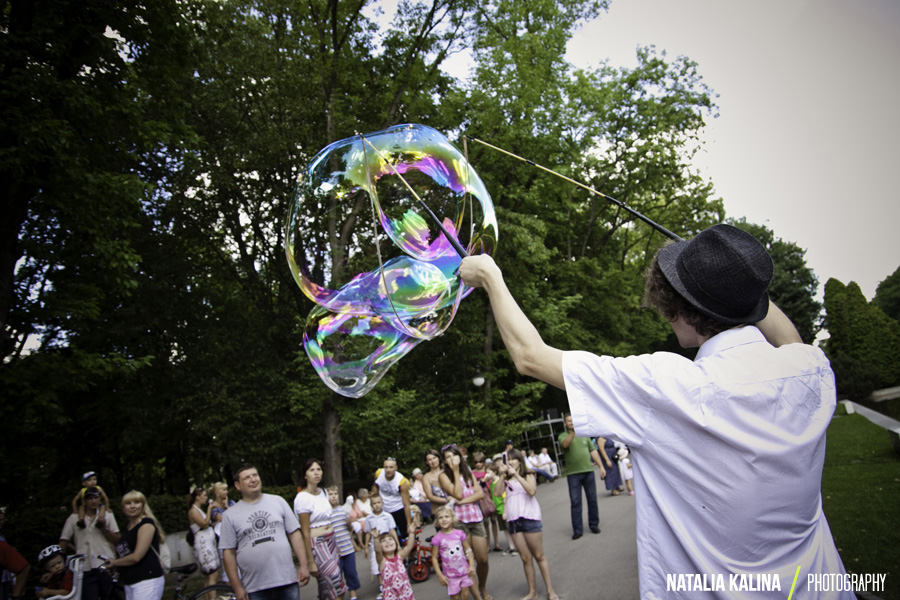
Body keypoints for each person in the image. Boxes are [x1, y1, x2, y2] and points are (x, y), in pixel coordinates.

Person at [459, 223, 854, 598]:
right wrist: (730, 277)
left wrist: (491, 276)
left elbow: (530, 357)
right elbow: (788, 338)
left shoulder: (665, 386)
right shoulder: (810, 368)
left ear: (679, 306)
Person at [220, 463, 310, 600]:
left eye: (255, 475)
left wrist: (304, 565)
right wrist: (237, 587)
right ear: (237, 485)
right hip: (254, 588)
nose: (253, 479)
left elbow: (294, 534)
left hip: (286, 581)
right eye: (247, 477)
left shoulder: (278, 501)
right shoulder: (230, 515)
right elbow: (228, 552)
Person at [495, 450, 557, 600]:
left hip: (529, 518)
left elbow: (531, 491)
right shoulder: (504, 478)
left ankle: (550, 590)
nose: (510, 462)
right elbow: (497, 493)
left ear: (519, 461)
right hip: (514, 521)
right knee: (525, 558)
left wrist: (516, 475)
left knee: (539, 555)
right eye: (507, 460)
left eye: (513, 459)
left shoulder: (528, 474)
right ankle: (532, 592)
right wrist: (503, 475)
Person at [439, 444, 490, 600]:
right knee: (467, 562)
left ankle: (482, 586)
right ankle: (477, 596)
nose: (451, 459)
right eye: (447, 457)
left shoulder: (468, 471)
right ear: (445, 461)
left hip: (475, 518)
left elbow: (480, 493)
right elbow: (457, 494)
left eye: (453, 455)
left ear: (459, 457)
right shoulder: (443, 476)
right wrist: (455, 472)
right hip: (459, 522)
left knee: (482, 559)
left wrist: (462, 502)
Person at [293, 459, 347, 600]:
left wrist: (337, 545)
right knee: (336, 584)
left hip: (331, 540)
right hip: (318, 544)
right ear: (305, 475)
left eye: (318, 469)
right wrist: (310, 562)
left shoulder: (323, 492)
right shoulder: (302, 498)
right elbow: (304, 532)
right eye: (311, 470)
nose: (316, 473)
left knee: (328, 587)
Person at [59, 487, 120, 600]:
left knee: (111, 597)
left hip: (105, 564)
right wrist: (58, 564)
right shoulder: (74, 518)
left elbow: (117, 540)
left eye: (96, 497)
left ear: (100, 498)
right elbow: (63, 541)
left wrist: (105, 529)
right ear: (84, 501)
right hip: (84, 567)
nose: (93, 501)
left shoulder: (107, 515)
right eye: (90, 498)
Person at [105, 491, 166, 600]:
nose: (132, 506)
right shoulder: (128, 528)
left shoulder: (146, 524)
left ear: (143, 505)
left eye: (136, 502)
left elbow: (136, 557)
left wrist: (115, 562)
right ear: (123, 507)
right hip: (131, 582)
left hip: (147, 580)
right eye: (128, 503)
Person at [558, 415, 605, 539]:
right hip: (573, 474)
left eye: (573, 421)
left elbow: (593, 451)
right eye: (569, 421)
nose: (571, 423)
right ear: (565, 424)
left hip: (588, 471)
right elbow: (565, 445)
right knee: (575, 502)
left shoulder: (584, 435)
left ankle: (594, 524)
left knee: (592, 499)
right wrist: (572, 433)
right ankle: (578, 530)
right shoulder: (563, 436)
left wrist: (601, 466)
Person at [430, 507, 476, 600]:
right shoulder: (437, 538)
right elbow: (434, 558)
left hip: (464, 571)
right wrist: (440, 575)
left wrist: (471, 565)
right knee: (454, 597)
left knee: (465, 595)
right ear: (437, 521)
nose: (444, 519)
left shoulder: (459, 534)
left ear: (452, 519)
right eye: (440, 517)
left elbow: (468, 549)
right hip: (449, 575)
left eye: (446, 516)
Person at [327, 487, 360, 600]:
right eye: (330, 494)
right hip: (335, 551)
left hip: (348, 548)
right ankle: (339, 595)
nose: (333, 496)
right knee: (337, 576)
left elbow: (350, 529)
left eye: (335, 493)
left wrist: (349, 524)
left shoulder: (343, 510)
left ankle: (353, 594)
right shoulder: (326, 513)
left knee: (351, 572)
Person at [371, 459, 412, 541]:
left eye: (391, 467)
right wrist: (375, 499)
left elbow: (406, 504)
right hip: (384, 509)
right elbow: (375, 485)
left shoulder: (402, 481)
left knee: (405, 536)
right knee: (388, 536)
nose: (388, 470)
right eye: (386, 467)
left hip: (398, 508)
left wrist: (409, 524)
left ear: (396, 468)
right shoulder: (379, 473)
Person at [188, 486, 219, 587]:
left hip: (208, 543)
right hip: (203, 545)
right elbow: (204, 524)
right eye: (204, 495)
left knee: (209, 576)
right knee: (212, 574)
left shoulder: (198, 510)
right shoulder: (193, 510)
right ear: (197, 497)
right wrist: (209, 509)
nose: (206, 497)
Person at [377, 525, 418, 600]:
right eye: (383, 541)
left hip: (406, 594)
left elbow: (409, 546)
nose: (388, 541)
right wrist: (376, 539)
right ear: (380, 547)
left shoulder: (399, 557)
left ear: (396, 543)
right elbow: (377, 551)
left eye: (390, 539)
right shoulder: (382, 561)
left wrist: (412, 533)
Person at [363, 495, 397, 584]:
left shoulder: (388, 516)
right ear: (371, 505)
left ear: (382, 503)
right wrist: (366, 548)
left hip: (388, 545)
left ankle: (393, 584)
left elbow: (392, 531)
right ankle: (382, 588)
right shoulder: (369, 518)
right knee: (377, 567)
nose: (377, 505)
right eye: (374, 503)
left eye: (378, 502)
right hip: (375, 547)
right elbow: (367, 533)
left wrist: (397, 544)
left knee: (390, 565)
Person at [483, 465, 516, 555]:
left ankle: (517, 546)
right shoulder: (491, 483)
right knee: (504, 529)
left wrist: (505, 511)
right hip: (497, 509)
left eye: (488, 472)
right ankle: (511, 546)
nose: (487, 474)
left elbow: (504, 497)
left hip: (503, 509)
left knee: (510, 528)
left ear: (494, 472)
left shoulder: (500, 481)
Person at [421, 450, 449, 533]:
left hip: (454, 508)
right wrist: (447, 500)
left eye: (434, 458)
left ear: (438, 458)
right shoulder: (426, 477)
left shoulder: (447, 472)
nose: (433, 461)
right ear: (427, 462)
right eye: (430, 459)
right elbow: (430, 496)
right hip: (438, 510)